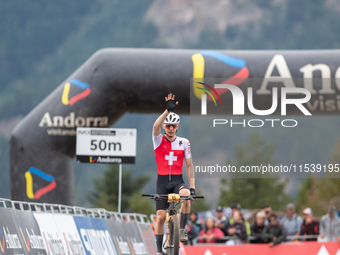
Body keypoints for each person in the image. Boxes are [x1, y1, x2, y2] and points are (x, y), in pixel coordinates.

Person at [152, 93, 196, 255]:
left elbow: (189, 165)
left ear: (177, 127)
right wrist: (166, 111)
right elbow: (155, 127)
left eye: (173, 126)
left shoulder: (184, 142)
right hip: (162, 183)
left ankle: (182, 229)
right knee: (161, 217)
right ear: (165, 126)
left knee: (185, 196)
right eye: (168, 125)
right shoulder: (158, 140)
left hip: (178, 181)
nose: (170, 128)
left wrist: (192, 187)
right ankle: (158, 250)